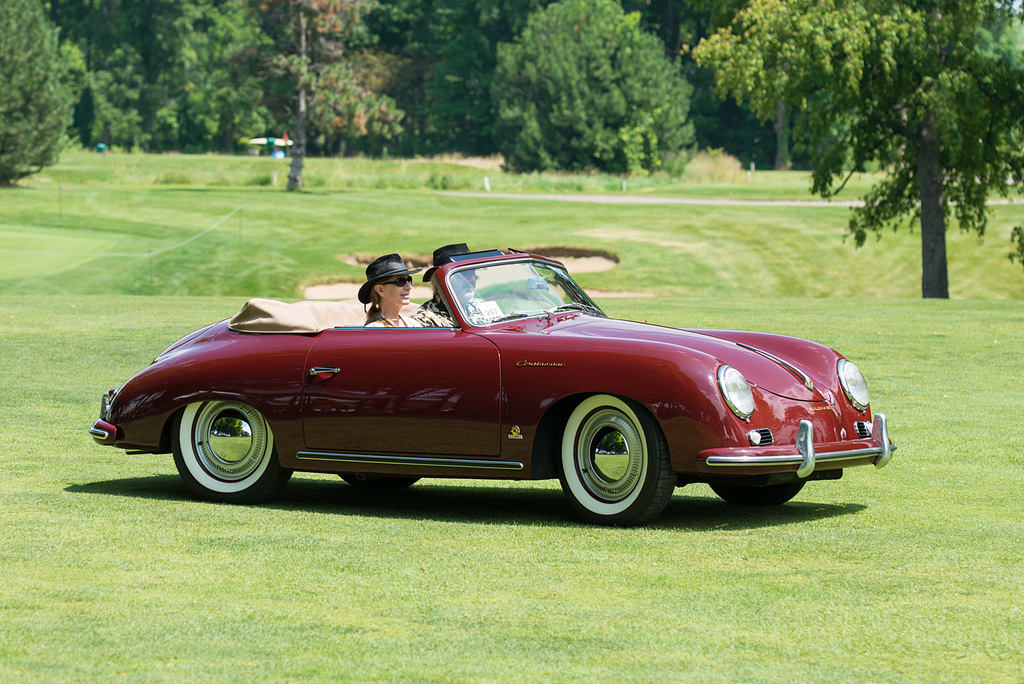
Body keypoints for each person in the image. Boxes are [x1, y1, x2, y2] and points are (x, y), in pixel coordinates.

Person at [413, 243, 471, 327]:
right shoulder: (425, 319)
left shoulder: (481, 306)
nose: (472, 279)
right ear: (441, 282)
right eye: (463, 274)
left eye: (472, 272)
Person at [358, 253, 423, 327]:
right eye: (401, 281)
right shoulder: (375, 329)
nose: (409, 287)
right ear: (380, 290)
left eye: (409, 280)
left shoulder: (413, 324)